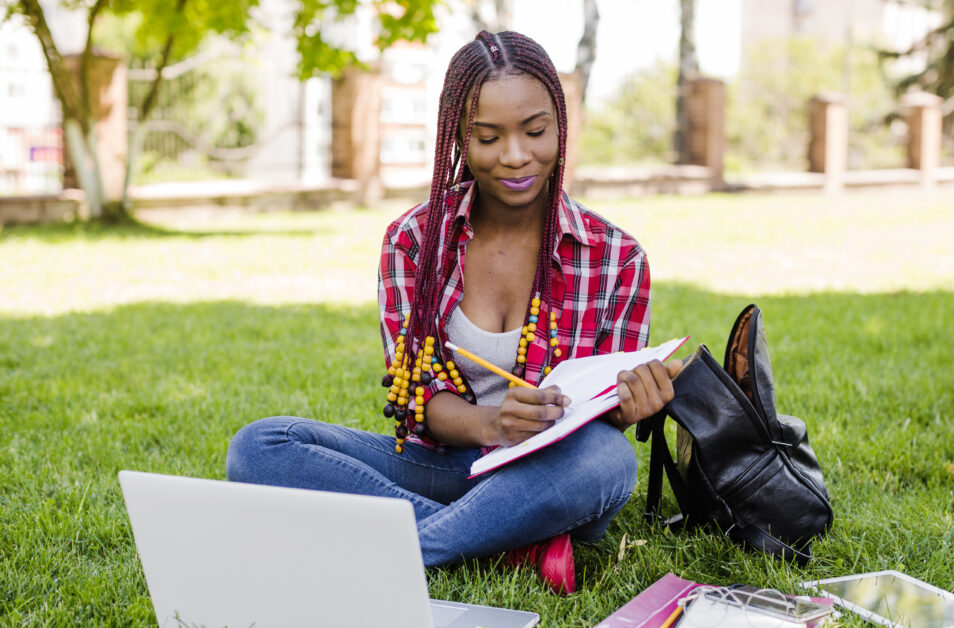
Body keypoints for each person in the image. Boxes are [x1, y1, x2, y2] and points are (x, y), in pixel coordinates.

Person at [226, 30, 680, 595]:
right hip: (448, 467)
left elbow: (604, 416)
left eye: (535, 131)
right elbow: (420, 399)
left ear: (560, 125)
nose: (515, 156)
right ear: (457, 140)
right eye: (487, 137)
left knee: (609, 458)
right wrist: (493, 424)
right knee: (261, 446)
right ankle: (507, 539)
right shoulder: (414, 242)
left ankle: (408, 546)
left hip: (551, 474)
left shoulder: (616, 257)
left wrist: (631, 403)